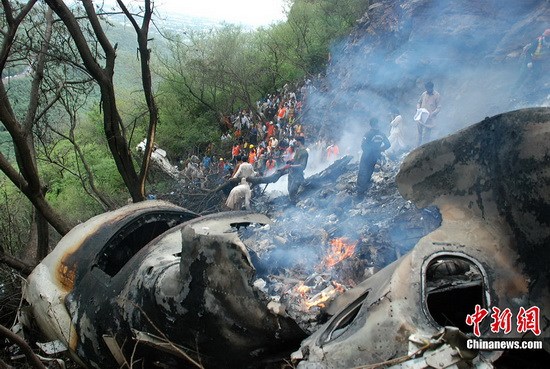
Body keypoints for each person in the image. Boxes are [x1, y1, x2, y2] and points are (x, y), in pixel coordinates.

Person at [357, 118, 391, 196]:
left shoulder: (368, 134)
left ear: (371, 124)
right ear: (377, 124)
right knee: (369, 172)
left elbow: (363, 146)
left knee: (362, 173)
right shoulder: (382, 134)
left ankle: (359, 194)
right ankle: (365, 190)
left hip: (366, 157)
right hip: (375, 157)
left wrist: (370, 151)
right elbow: (388, 144)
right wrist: (379, 150)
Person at [416, 81, 441, 146]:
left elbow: (439, 107)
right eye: (426, 88)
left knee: (426, 136)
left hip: (429, 118)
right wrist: (418, 109)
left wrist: (433, 114)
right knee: (419, 135)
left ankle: (424, 148)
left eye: (429, 88)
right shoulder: (424, 94)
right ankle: (417, 147)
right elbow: (419, 102)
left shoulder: (437, 95)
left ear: (432, 87)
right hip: (421, 117)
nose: (427, 90)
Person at [287, 136, 308, 204]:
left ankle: (294, 208)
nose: (295, 142)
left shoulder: (304, 152)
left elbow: (302, 166)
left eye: (296, 141)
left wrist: (292, 166)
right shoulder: (297, 150)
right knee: (289, 190)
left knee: (292, 192)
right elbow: (295, 159)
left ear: (299, 142)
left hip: (298, 176)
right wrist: (290, 161)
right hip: (292, 174)